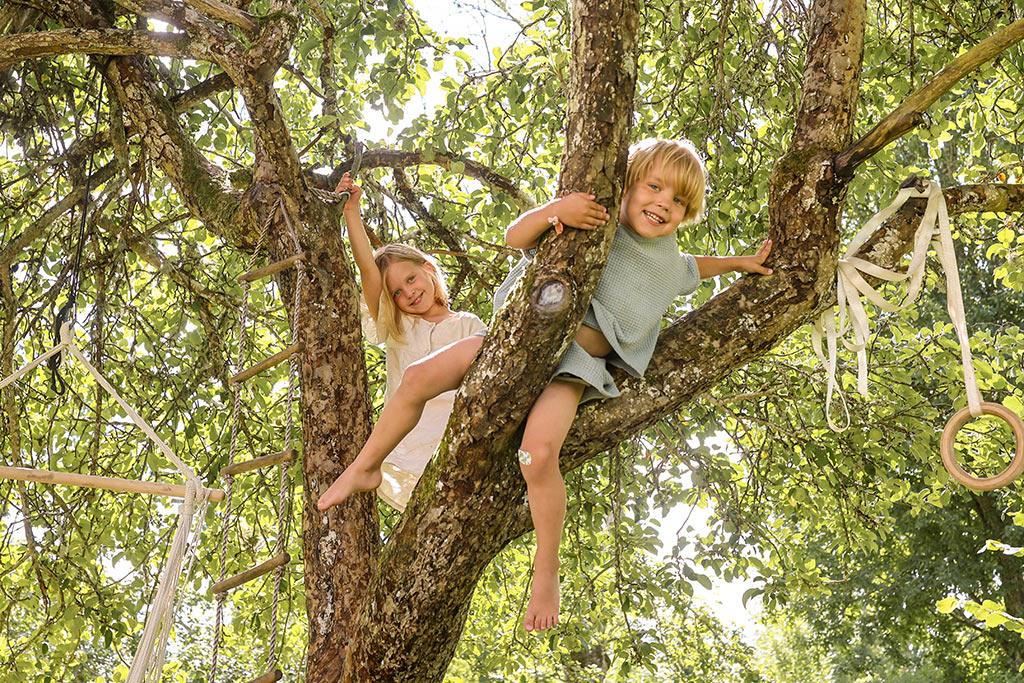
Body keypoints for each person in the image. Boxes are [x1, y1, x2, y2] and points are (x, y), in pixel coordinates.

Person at [318, 138, 773, 633]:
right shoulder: (594, 222)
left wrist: (739, 263)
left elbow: (690, 269)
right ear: (626, 184)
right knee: (416, 377)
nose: (664, 203)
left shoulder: (665, 260)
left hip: (572, 368)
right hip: (514, 342)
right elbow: (517, 235)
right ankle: (365, 467)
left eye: (679, 199)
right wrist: (557, 209)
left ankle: (547, 569)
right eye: (654, 187)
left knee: (536, 455)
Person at [328, 173, 485, 512]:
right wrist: (351, 212)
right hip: (405, 455)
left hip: (456, 446)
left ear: (429, 269)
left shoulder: (468, 324)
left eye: (411, 279)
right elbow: (368, 271)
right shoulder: (400, 325)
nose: (409, 293)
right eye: (397, 292)